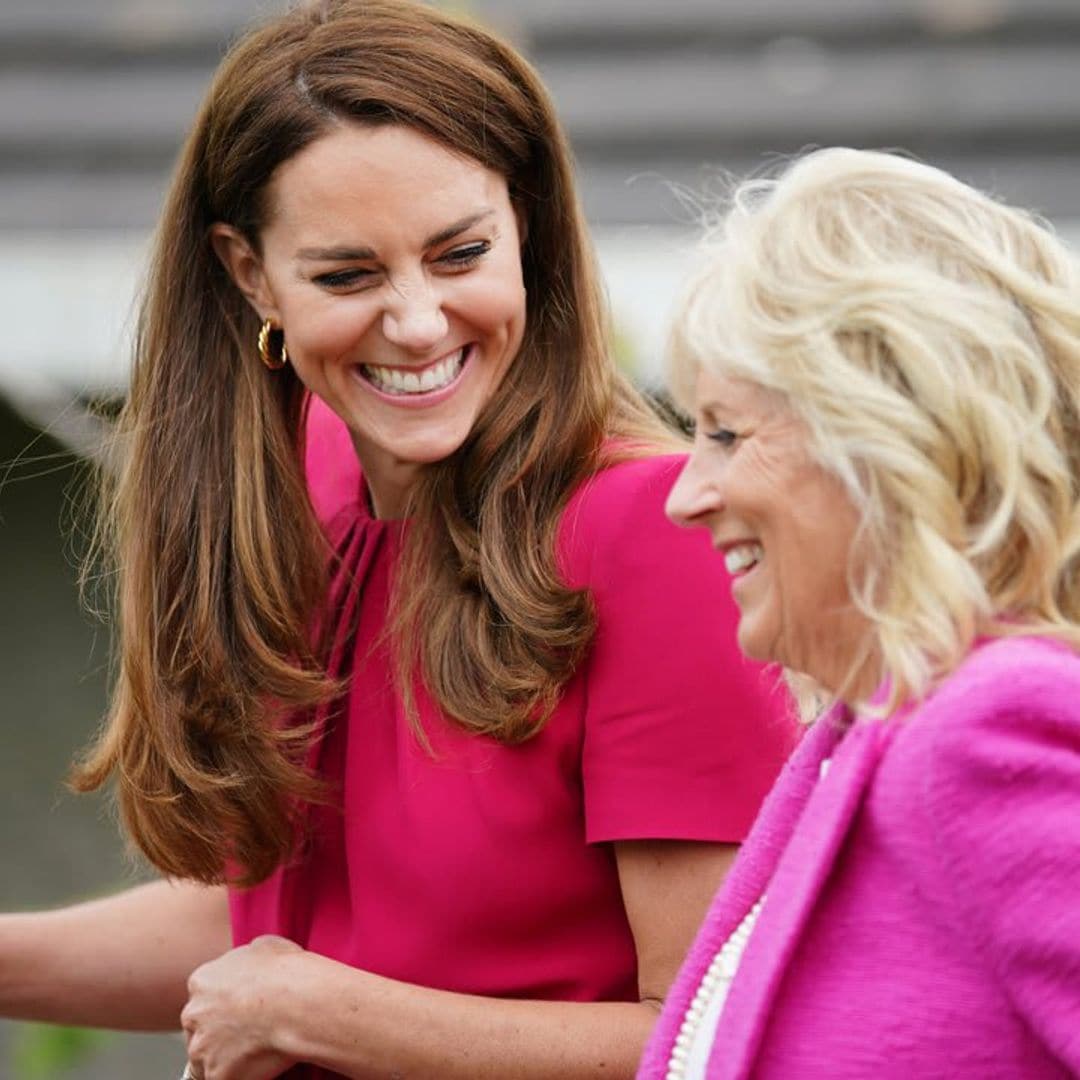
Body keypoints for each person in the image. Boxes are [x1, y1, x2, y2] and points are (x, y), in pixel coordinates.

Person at [0, 3, 797, 1078]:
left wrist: (318, 1014)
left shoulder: (648, 537)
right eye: (348, 275)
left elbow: (722, 1034)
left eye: (459, 253)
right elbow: (273, 936)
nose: (419, 323)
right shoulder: (307, 482)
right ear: (247, 274)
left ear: (529, 231)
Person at [639, 147, 1080, 1079]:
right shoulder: (870, 728)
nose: (687, 494)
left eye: (725, 433)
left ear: (881, 439)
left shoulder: (988, 729)